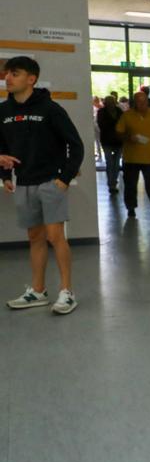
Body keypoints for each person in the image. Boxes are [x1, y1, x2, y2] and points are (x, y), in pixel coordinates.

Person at [0, 56, 84, 315]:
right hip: (23, 183)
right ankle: (38, 290)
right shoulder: (3, 111)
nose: (7, 78)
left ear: (31, 79)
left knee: (55, 237)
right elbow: (1, 147)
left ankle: (67, 292)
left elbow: (76, 145)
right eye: (7, 74)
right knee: (34, 237)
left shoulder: (50, 109)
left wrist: (63, 179)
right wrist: (3, 175)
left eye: (15, 74)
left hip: (50, 182)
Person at [116, 91, 150, 220]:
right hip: (131, 158)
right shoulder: (127, 116)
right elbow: (118, 133)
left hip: (149, 158)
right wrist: (129, 137)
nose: (142, 104)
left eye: (144, 101)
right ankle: (131, 208)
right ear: (134, 102)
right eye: (139, 102)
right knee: (130, 185)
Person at [96, 95, 123, 194]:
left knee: (116, 164)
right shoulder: (101, 112)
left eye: (112, 102)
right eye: (109, 102)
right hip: (107, 141)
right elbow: (101, 125)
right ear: (105, 103)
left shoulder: (119, 111)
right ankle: (111, 184)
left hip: (118, 141)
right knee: (109, 163)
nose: (111, 104)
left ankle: (113, 183)